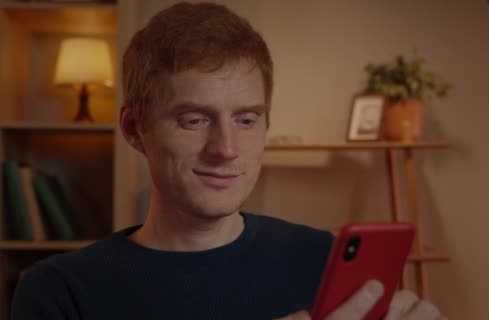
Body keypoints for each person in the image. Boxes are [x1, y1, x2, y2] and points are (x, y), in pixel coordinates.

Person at [11, 2, 445, 319]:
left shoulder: (326, 262)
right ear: (133, 129)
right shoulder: (59, 292)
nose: (226, 148)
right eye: (194, 119)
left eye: (246, 119)